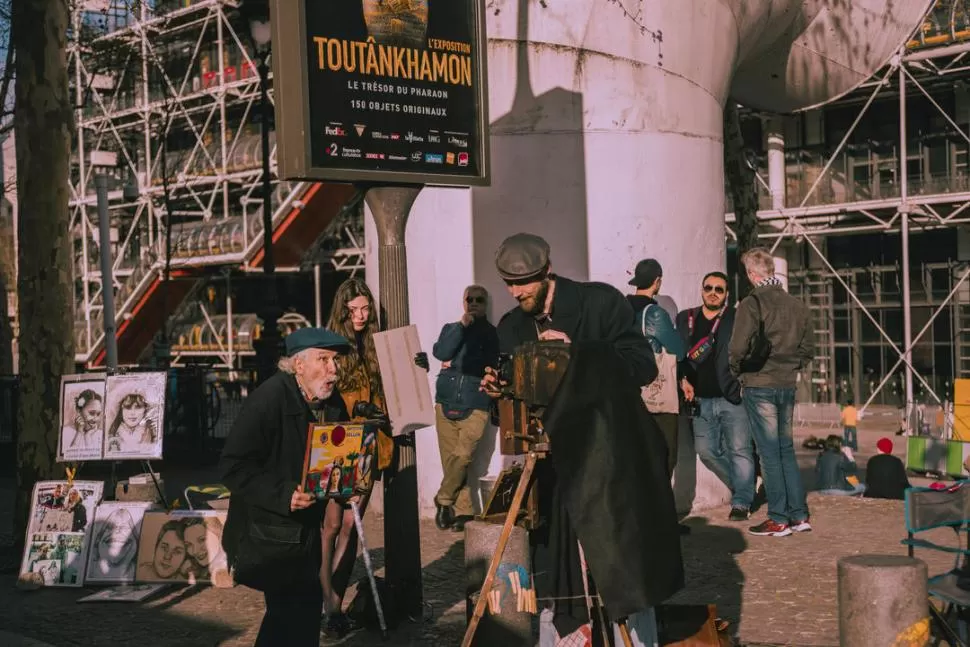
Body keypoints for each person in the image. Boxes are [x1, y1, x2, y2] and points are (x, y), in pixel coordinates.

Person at [481, 233, 681, 647]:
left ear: (548, 271)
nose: (517, 292)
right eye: (510, 284)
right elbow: (513, 401)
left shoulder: (601, 302)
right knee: (559, 576)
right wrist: (497, 389)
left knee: (620, 569)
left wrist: (578, 354)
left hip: (610, 463)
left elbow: (641, 365)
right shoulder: (511, 326)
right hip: (551, 474)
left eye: (526, 283)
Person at [221, 327, 352, 647]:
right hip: (269, 533)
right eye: (324, 359)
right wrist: (284, 494)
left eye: (335, 361)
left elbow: (342, 452)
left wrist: (352, 472)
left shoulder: (331, 402)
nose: (333, 369)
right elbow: (232, 467)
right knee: (287, 616)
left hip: (305, 534)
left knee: (301, 616)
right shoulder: (268, 399)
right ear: (299, 365)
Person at [729, 247, 814, 538]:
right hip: (786, 383)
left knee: (768, 454)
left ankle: (778, 518)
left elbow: (737, 347)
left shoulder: (751, 304)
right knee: (786, 450)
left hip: (759, 383)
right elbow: (808, 349)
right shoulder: (796, 305)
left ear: (752, 275)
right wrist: (790, 364)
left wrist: (738, 370)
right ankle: (799, 515)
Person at [324, 278, 386, 633]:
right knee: (331, 526)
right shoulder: (333, 344)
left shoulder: (375, 343)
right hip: (338, 442)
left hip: (369, 444)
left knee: (351, 524)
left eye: (365, 308)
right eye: (354, 310)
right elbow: (324, 395)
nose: (361, 315)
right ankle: (324, 599)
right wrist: (355, 405)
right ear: (343, 311)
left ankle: (335, 603)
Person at [677, 271, 756, 522]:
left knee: (740, 450)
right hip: (699, 399)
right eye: (708, 287)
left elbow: (753, 347)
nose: (713, 292)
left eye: (719, 289)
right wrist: (682, 379)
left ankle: (742, 501)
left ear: (726, 294)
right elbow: (678, 354)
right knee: (706, 451)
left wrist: (744, 381)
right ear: (701, 290)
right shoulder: (685, 318)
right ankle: (744, 484)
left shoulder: (736, 317)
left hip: (731, 397)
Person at [432, 284, 500, 532]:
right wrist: (462, 326)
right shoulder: (452, 329)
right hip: (446, 401)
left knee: (463, 456)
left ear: (486, 304)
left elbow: (490, 362)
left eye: (479, 300)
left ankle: (443, 500)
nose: (473, 303)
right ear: (463, 302)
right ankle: (463, 511)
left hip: (476, 403)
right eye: (469, 299)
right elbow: (442, 352)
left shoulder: (492, 333)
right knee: (451, 459)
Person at [626, 259, 685, 478]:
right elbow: (678, 351)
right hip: (654, 390)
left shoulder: (621, 308)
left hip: (627, 392)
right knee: (664, 453)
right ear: (657, 281)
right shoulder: (654, 313)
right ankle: (660, 508)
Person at [63, 389, 103, 455]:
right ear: (79, 411)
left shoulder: (100, 434)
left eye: (98, 414)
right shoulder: (66, 431)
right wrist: (79, 432)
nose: (96, 419)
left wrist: (88, 436)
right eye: (92, 413)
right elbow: (69, 458)